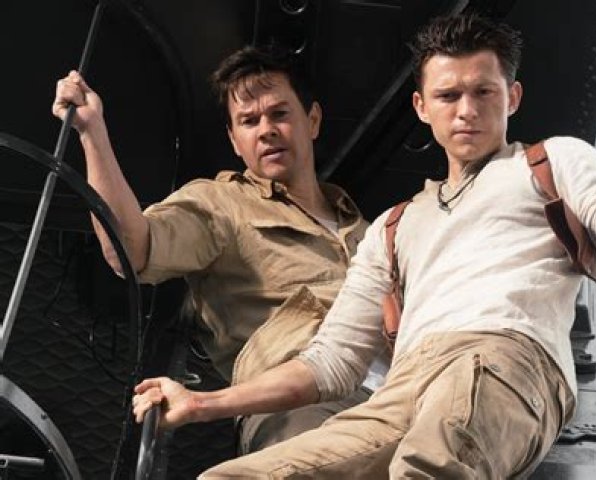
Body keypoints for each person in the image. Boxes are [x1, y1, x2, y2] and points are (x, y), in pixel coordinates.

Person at [132, 12, 596, 479]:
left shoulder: (551, 162)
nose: (466, 110)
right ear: (422, 106)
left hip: (500, 357)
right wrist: (202, 403)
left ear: (512, 96)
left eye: (483, 92)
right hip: (405, 384)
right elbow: (330, 363)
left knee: (427, 466)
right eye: (448, 95)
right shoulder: (393, 227)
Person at [52, 45, 388, 455]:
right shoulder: (221, 205)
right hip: (301, 406)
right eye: (249, 120)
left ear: (312, 120)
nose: (266, 130)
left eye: (279, 114)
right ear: (234, 139)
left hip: (404, 399)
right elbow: (131, 248)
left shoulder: (371, 230)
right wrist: (92, 133)